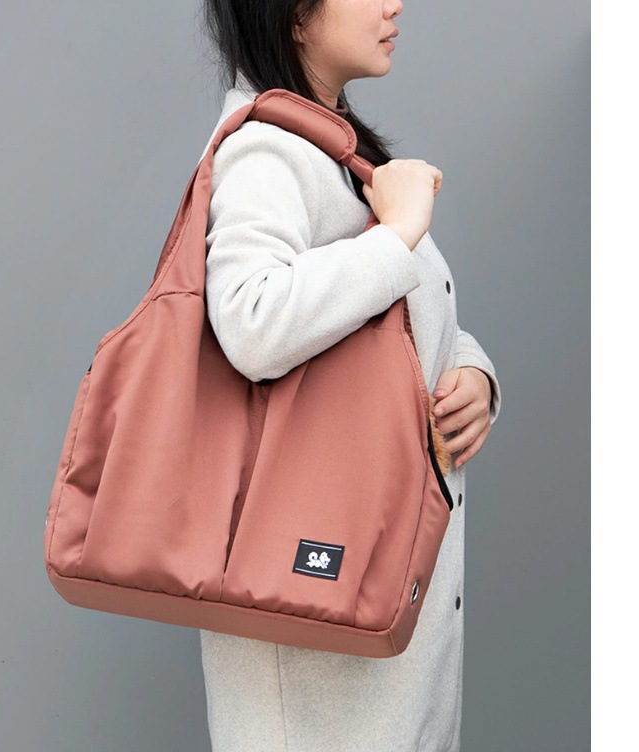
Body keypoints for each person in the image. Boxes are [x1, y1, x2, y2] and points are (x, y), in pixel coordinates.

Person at [197, 1, 502, 750]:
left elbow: (388, 326)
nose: (394, 4)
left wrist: (473, 373)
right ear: (294, 17)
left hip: (367, 628)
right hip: (318, 668)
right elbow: (252, 320)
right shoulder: (267, 150)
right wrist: (397, 233)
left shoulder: (328, 145)